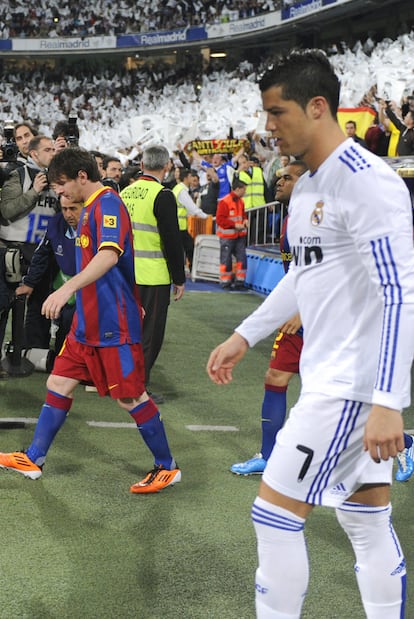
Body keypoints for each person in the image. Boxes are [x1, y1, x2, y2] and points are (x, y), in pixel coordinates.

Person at [207, 49, 414, 618]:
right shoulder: (306, 189)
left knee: (272, 518)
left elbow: (401, 296)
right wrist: (246, 334)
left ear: (318, 106)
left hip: (350, 389)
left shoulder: (371, 184)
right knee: (365, 519)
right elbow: (304, 274)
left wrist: (388, 402)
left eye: (278, 112)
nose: (268, 126)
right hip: (339, 382)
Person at [0, 147, 181, 494]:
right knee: (58, 383)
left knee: (131, 397)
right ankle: (34, 458)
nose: (60, 193)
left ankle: (167, 467)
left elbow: (109, 255)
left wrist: (64, 289)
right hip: (88, 322)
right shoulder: (88, 210)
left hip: (114, 323)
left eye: (63, 185)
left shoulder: (108, 203)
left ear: (83, 177)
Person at [231, 160, 307, 475]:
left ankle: (405, 445)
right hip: (301, 315)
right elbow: (297, 274)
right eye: (278, 177)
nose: (279, 182)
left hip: (328, 319)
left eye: (287, 178)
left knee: (338, 398)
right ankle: (268, 455)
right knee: (275, 377)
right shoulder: (291, 218)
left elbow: (337, 272)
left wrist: (302, 311)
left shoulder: (322, 219)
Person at [120, 145, 186, 394]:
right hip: (153, 276)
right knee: (149, 335)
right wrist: (179, 278)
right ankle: (138, 387)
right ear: (166, 166)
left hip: (125, 274)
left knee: (127, 331)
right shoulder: (163, 195)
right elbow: (172, 240)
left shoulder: (125, 192)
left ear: (142, 165)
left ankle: (124, 380)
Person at [0, 135, 59, 354]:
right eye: (48, 150)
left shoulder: (56, 178)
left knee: (41, 303)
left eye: (54, 149)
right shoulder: (19, 174)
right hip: (14, 248)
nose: (53, 153)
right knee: (6, 303)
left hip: (43, 249)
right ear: (34, 154)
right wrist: (34, 191)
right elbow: (7, 210)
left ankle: (34, 351)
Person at [15, 196, 83, 366]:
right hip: (66, 286)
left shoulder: (96, 227)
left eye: (73, 209)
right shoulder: (56, 223)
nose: (68, 214)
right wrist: (30, 283)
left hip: (90, 288)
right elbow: (42, 253)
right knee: (62, 346)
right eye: (64, 209)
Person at [172, 167, 208, 271]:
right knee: (189, 248)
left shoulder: (177, 188)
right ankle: (191, 269)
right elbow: (192, 208)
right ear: (186, 178)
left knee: (182, 249)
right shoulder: (182, 191)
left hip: (178, 225)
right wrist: (206, 217)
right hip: (180, 226)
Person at [216, 176, 248, 289]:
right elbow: (220, 220)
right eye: (244, 189)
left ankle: (239, 281)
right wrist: (235, 225)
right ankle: (226, 282)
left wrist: (245, 220)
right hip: (227, 236)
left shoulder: (241, 202)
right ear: (238, 189)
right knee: (226, 259)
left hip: (239, 235)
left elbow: (243, 214)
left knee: (241, 258)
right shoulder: (225, 202)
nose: (245, 192)